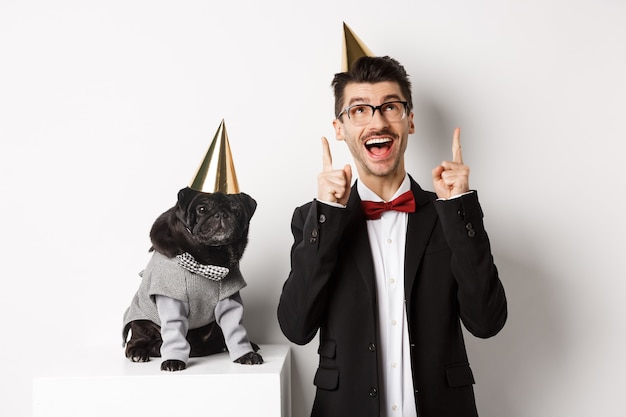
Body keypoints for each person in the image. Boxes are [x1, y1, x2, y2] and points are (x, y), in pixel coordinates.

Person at [277, 56, 507, 417]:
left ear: (410, 120)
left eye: (390, 107)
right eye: (359, 111)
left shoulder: (448, 213)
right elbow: (296, 327)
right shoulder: (311, 219)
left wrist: (461, 207)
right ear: (340, 128)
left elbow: (487, 322)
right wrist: (327, 215)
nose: (377, 121)